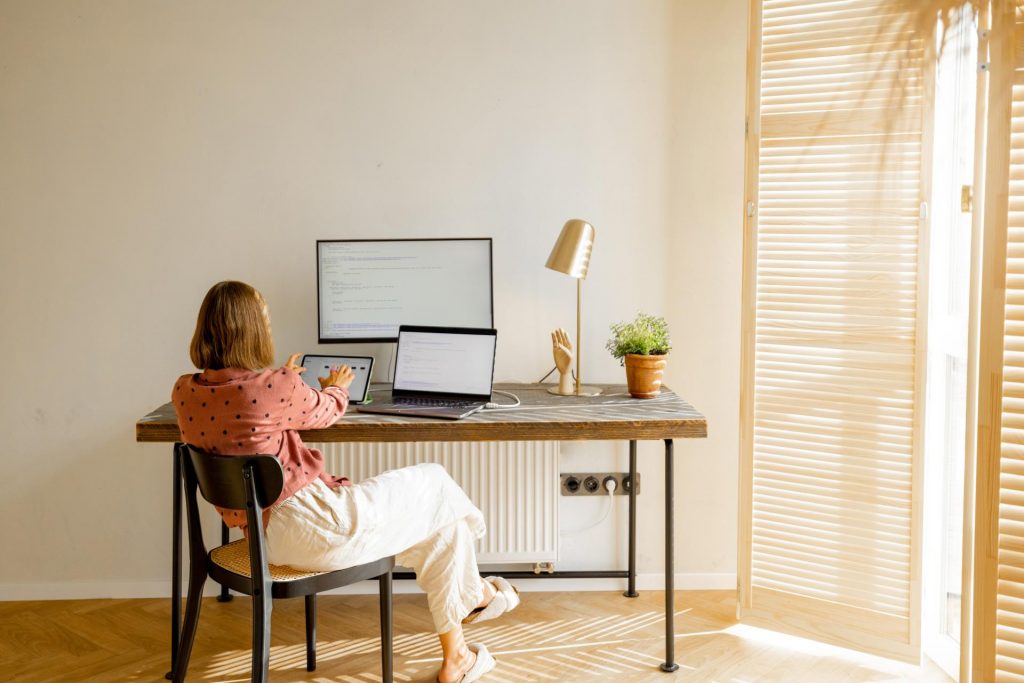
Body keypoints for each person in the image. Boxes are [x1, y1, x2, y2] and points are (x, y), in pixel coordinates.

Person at [172, 280, 517, 683]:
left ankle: (457, 656)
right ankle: (476, 593)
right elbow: (326, 410)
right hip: (316, 528)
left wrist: (283, 383)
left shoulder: (185, 391)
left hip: (261, 539)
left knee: (441, 527)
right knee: (436, 481)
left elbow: (243, 416)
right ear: (252, 331)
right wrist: (335, 385)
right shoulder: (274, 386)